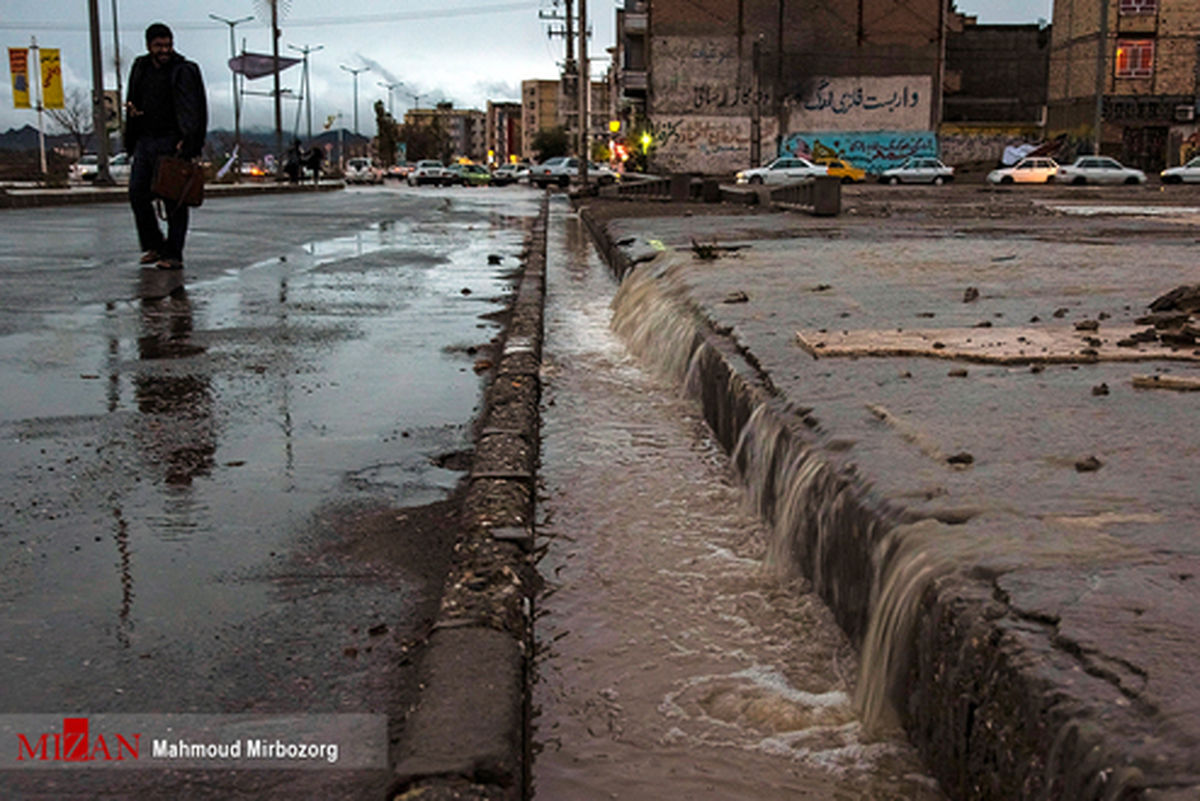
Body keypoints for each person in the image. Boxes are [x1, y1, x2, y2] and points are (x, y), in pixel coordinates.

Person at [124, 22, 207, 271]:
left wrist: (190, 141)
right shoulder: (140, 67)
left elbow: (195, 108)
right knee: (138, 194)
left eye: (168, 44)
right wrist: (133, 115)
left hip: (173, 141)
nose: (164, 50)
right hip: (145, 140)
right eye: (159, 45)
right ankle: (154, 244)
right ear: (149, 45)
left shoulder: (184, 69)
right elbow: (133, 97)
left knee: (174, 200)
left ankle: (173, 254)